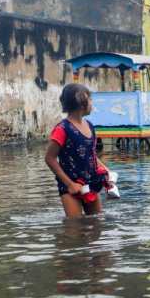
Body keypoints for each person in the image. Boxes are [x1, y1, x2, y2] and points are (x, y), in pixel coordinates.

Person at [45, 84, 111, 218]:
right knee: (75, 226)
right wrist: (70, 184)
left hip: (91, 183)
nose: (92, 103)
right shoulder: (62, 129)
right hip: (71, 188)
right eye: (90, 99)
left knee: (96, 223)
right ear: (81, 103)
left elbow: (91, 154)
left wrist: (106, 171)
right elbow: (50, 158)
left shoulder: (90, 126)